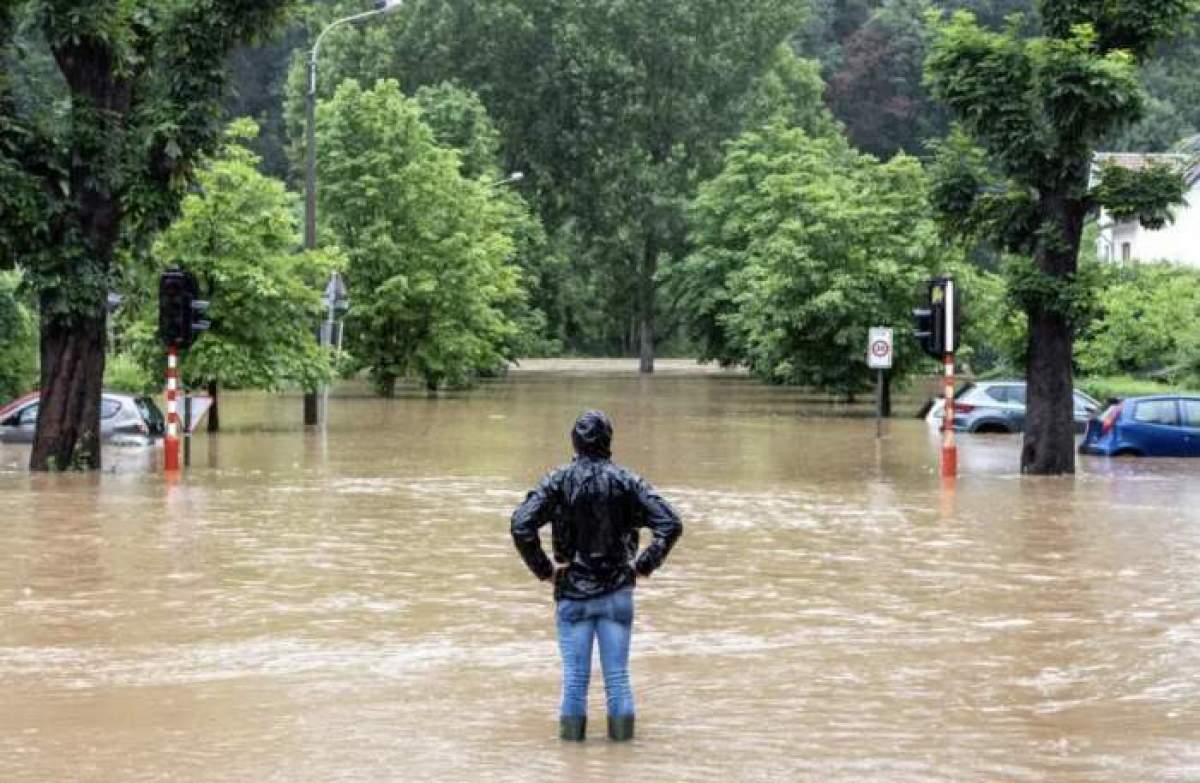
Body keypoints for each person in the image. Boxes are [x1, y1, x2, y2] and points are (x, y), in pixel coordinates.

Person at [511, 410, 682, 742]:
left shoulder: (558, 480)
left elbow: (521, 525)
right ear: (608, 442)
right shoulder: (627, 481)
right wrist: (644, 565)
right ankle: (621, 761)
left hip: (572, 591)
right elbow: (671, 524)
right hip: (618, 590)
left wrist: (546, 571)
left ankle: (573, 764)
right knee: (618, 678)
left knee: (574, 680)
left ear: (574, 442)